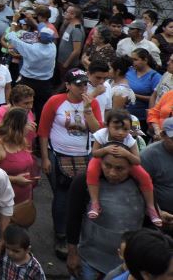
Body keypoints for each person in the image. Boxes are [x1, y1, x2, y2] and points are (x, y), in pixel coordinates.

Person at [38, 69, 103, 258]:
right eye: (78, 84)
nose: (83, 87)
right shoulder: (55, 101)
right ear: (68, 85)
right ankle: (61, 234)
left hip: (84, 155)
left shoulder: (92, 103)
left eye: (85, 84)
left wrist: (88, 108)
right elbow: (43, 131)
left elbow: (96, 130)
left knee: (83, 195)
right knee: (61, 194)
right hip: (58, 154)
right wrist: (44, 157)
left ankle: (77, 231)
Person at [66, 146, 147, 279]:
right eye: (107, 165)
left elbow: (149, 219)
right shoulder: (83, 182)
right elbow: (72, 219)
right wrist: (72, 254)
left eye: (120, 168)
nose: (112, 173)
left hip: (125, 265)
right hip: (89, 260)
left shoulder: (141, 185)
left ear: (131, 168)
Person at [86, 108, 161, 226]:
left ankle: (151, 207)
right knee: (91, 170)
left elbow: (137, 161)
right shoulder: (101, 134)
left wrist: (126, 154)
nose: (121, 132)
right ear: (107, 126)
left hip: (125, 163)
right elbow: (94, 153)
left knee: (145, 176)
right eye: (116, 128)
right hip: (102, 159)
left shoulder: (130, 140)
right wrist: (105, 150)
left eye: (125, 129)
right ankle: (95, 203)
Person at [0, 108, 37, 205]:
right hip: (2, 204)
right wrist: (15, 179)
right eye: (27, 124)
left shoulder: (22, 141)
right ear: (18, 126)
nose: (31, 127)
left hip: (23, 202)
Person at [4, 25, 56, 122]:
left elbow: (10, 37)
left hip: (28, 82)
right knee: (42, 110)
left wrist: (14, 23)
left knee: (22, 108)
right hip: (45, 84)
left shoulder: (30, 48)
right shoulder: (53, 47)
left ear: (39, 37)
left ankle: (20, 126)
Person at [140, 118, 173, 233]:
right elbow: (140, 188)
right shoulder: (148, 156)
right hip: (159, 218)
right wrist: (157, 212)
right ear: (163, 135)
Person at [125, 48, 162, 127]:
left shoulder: (155, 76)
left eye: (135, 59)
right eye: (132, 59)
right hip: (126, 115)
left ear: (145, 60)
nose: (133, 62)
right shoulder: (129, 71)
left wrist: (135, 95)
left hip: (142, 118)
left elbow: (156, 98)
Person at [57, 5, 86, 77]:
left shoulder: (77, 29)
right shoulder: (71, 24)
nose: (65, 13)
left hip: (68, 64)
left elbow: (77, 50)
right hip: (62, 61)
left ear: (73, 15)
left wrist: (66, 63)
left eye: (67, 12)